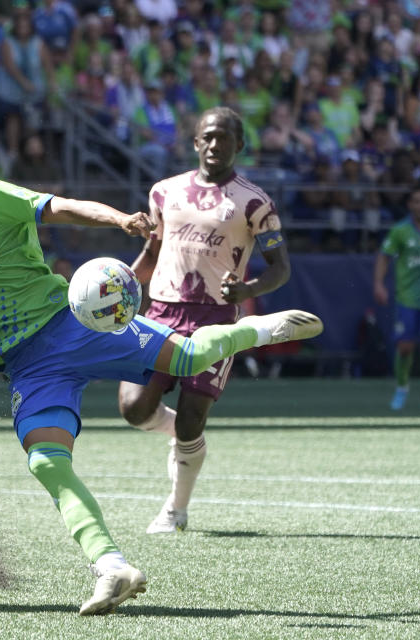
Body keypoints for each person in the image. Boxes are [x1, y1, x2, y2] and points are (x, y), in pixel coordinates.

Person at [0, 133, 321, 615]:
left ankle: (256, 331)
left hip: (71, 326)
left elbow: (60, 207)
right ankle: (112, 567)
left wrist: (118, 218)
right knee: (46, 462)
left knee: (191, 359)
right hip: (27, 368)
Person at [116, 106, 293, 534]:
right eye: (208, 137)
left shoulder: (255, 202)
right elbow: (153, 254)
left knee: (194, 415)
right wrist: (120, 289)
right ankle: (188, 439)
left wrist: (248, 290)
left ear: (240, 145)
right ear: (196, 142)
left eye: (225, 137)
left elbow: (280, 268)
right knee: (133, 408)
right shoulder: (164, 192)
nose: (215, 144)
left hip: (215, 318)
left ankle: (175, 510)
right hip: (159, 311)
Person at [373, 184, 420, 410]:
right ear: (409, 204)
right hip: (407, 298)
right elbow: (384, 257)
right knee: (405, 347)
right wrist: (379, 284)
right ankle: (402, 388)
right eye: (416, 201)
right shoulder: (400, 230)